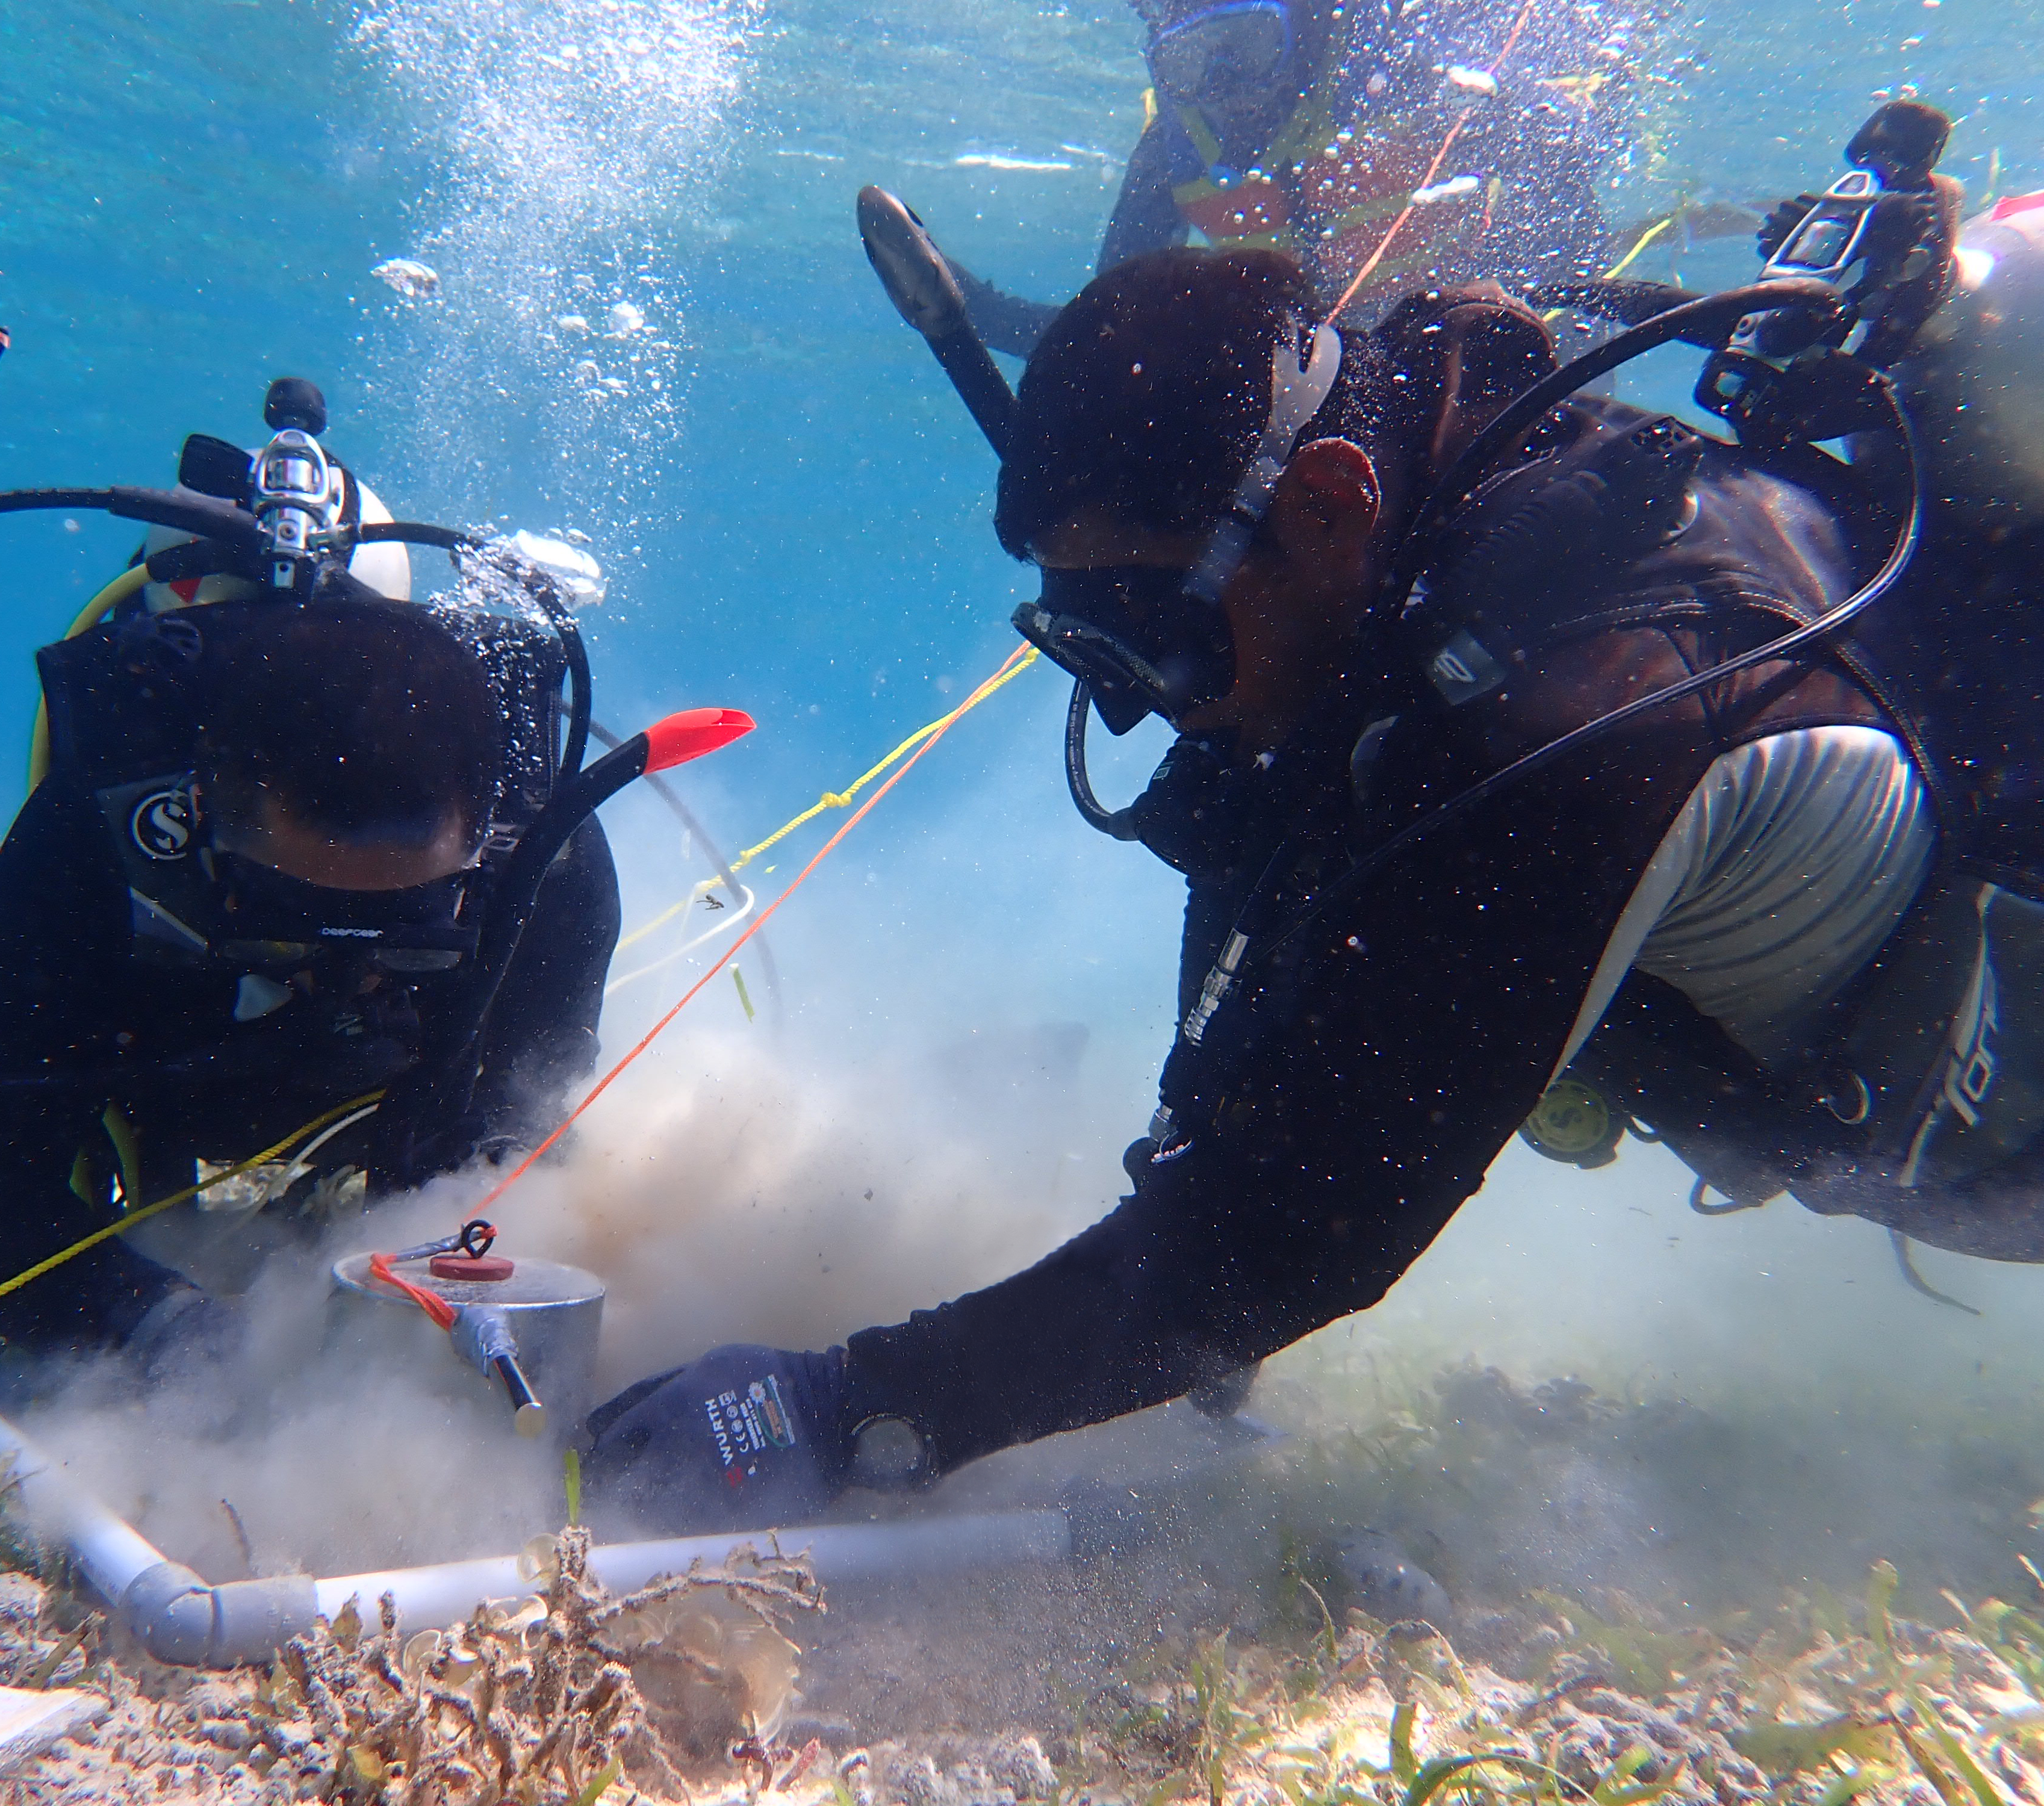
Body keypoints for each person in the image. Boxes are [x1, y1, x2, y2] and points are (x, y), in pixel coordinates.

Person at [588, 113, 2042, 1531]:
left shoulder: (1575, 717)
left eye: (1157, 638)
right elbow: (1263, 940)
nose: (1144, 707)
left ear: (1333, 505)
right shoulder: (1402, 471)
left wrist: (848, 1409)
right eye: (1090, 647)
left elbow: (1294, 1230)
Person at [0, 382, 620, 1351]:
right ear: (199, 811)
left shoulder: (543, 851)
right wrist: (168, 1332)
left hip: (380, 1095)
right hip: (134, 1078)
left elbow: (529, 1128)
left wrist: (453, 1242)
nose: (345, 973)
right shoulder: (95, 837)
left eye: (408, 936)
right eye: (288, 928)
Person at [952, 0, 1640, 357]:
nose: (1226, 88)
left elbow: (1568, 210)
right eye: (1189, 62)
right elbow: (1109, 333)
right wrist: (962, 307)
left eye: (1248, 45)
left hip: (1470, 364)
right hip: (1317, 390)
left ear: (1303, 27)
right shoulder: (1172, 152)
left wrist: (1540, 340)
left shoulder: (1412, 80)